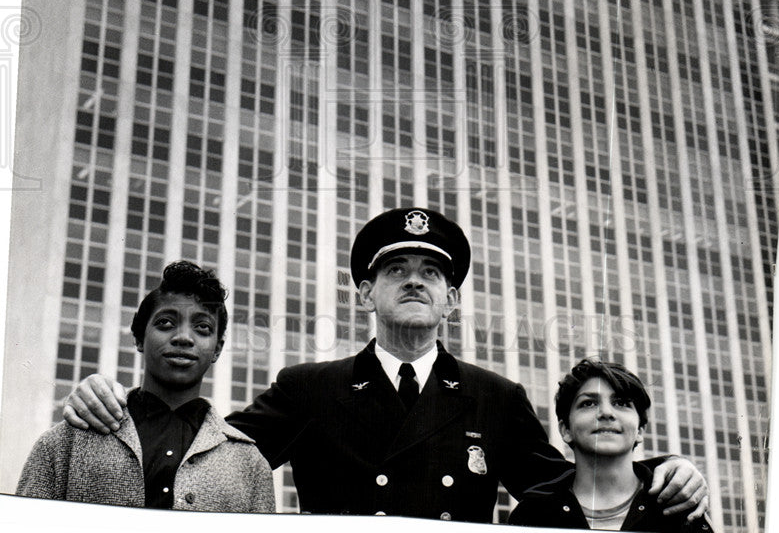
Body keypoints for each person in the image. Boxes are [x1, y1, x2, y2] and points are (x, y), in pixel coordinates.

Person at [62, 208, 708, 521]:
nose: (414, 281)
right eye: (395, 269)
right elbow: (213, 451)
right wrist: (113, 407)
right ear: (364, 292)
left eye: (431, 272)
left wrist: (660, 469)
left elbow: (568, 482)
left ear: (451, 298)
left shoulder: (494, 396)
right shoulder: (308, 388)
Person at [19, 261, 274, 513]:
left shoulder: (251, 465)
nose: (183, 337)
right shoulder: (66, 441)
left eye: (202, 328)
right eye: (165, 323)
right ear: (139, 338)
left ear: (217, 349)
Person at [509, 359, 713, 531]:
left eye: (621, 403)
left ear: (640, 430)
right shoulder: (532, 514)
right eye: (588, 403)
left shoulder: (678, 501)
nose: (606, 413)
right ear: (566, 430)